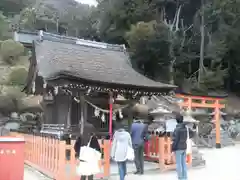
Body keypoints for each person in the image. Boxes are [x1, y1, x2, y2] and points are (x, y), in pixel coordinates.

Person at [172, 114, 188, 180]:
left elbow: (175, 140)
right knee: (184, 163)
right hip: (184, 146)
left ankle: (180, 178)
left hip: (178, 148)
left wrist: (173, 148)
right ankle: (185, 177)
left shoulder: (177, 129)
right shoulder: (185, 128)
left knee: (179, 164)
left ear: (176, 120)